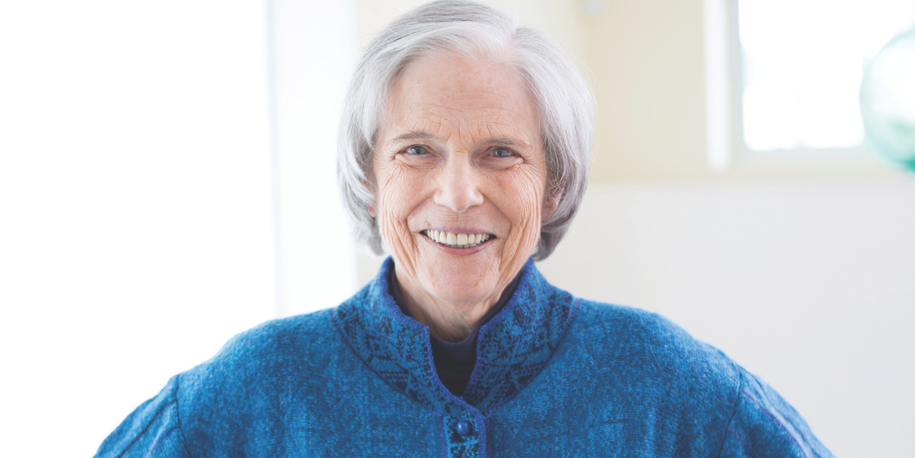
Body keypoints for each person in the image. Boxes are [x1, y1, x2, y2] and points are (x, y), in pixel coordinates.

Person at [95, 1, 833, 456]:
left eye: (500, 153)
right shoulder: (256, 386)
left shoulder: (661, 377)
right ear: (370, 177)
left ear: (553, 184)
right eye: (416, 150)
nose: (456, 194)